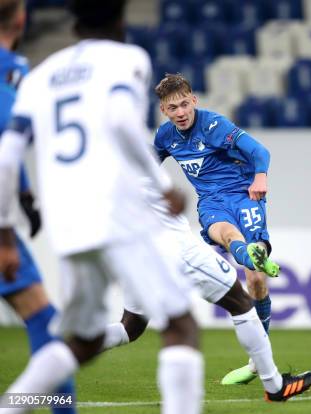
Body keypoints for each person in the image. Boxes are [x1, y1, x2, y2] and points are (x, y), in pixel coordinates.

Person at [0, 1, 204, 413]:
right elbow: (120, 119)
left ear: (74, 23)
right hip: (117, 212)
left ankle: (10, 406)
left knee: (84, 341)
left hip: (68, 225)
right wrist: (163, 185)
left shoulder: (39, 75)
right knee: (180, 325)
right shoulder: (127, 59)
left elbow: (7, 155)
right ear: (121, 20)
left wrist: (4, 231)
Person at [102, 179, 311, 402]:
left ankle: (66, 353)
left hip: (131, 253)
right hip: (175, 249)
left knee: (130, 327)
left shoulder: (102, 167)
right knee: (241, 303)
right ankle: (275, 386)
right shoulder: (137, 157)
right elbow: (175, 200)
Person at [153, 73, 279, 384]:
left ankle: (255, 361)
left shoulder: (214, 125)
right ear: (163, 111)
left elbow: (260, 151)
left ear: (194, 100)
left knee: (257, 281)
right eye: (173, 108)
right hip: (211, 202)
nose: (180, 112)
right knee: (220, 232)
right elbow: (145, 169)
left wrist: (260, 177)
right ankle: (248, 252)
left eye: (184, 104)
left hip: (244, 194)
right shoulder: (164, 137)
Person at [0, 1, 76, 412]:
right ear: (21, 18)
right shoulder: (14, 77)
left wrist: (25, 195)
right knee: (48, 331)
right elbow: (6, 151)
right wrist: (5, 238)